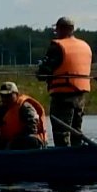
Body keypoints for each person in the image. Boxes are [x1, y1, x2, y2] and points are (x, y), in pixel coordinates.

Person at [35, 16, 92, 147]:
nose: (56, 32)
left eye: (57, 28)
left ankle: (64, 157)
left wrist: (39, 73)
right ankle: (77, 155)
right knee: (76, 131)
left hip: (63, 96)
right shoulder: (85, 46)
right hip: (80, 97)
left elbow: (45, 70)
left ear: (61, 29)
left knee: (62, 132)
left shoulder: (58, 46)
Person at [0, 81, 47, 150]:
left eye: (8, 96)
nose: (5, 98)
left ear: (16, 94)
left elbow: (32, 129)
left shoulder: (25, 107)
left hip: (30, 141)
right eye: (2, 96)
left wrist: (16, 139)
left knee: (27, 140)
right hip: (11, 143)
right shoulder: (0, 110)